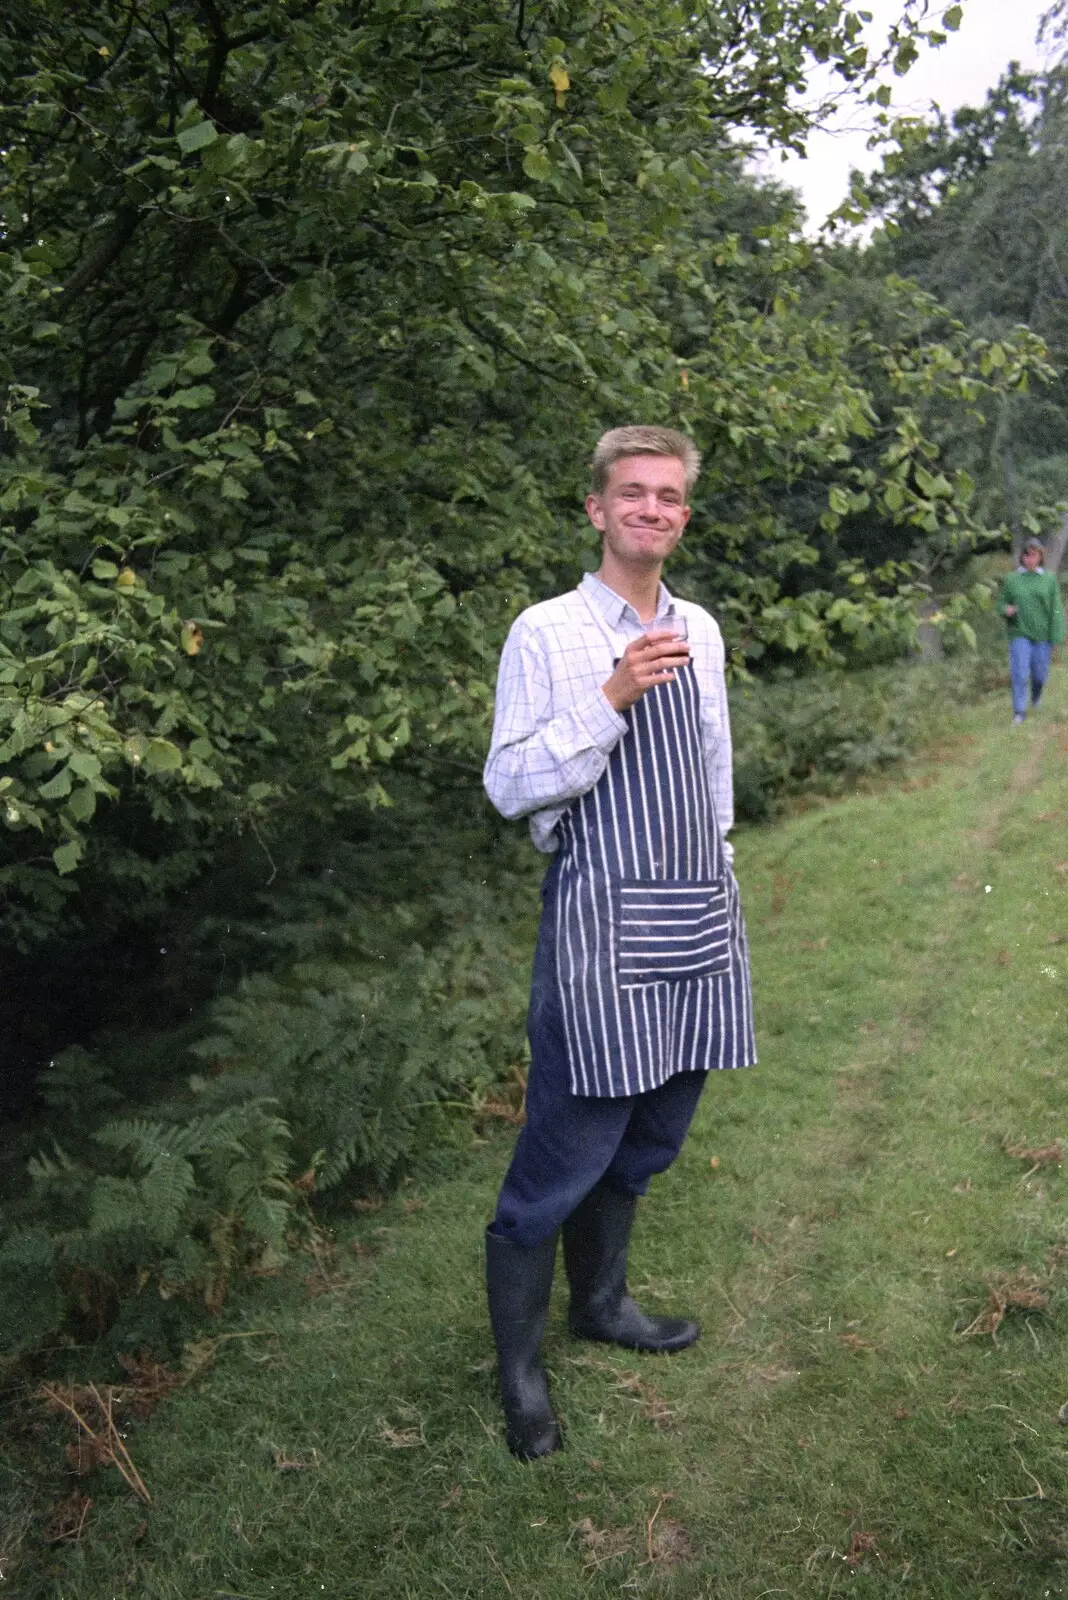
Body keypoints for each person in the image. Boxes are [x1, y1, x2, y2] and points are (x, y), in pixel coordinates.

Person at [481, 425, 756, 1460]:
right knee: (560, 1159)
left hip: (695, 911)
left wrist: (720, 865)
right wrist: (610, 698)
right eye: (632, 492)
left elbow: (713, 768)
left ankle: (602, 1305)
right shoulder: (546, 633)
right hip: (600, 925)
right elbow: (509, 786)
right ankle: (518, 1373)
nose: (651, 507)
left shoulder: (706, 629)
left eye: (669, 495)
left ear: (683, 514)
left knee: (648, 1141)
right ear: (596, 509)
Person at [998, 537, 1065, 724]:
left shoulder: (1049, 579)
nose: (1029, 559)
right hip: (1019, 633)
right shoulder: (1012, 579)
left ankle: (1036, 697)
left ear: (1040, 557)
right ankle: (1019, 712)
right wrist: (1006, 610)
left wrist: (1057, 635)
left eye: (1033, 555)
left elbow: (1056, 609)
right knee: (1019, 672)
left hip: (1042, 635)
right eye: (1026, 555)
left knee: (1039, 675)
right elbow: (1001, 603)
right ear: (1022, 557)